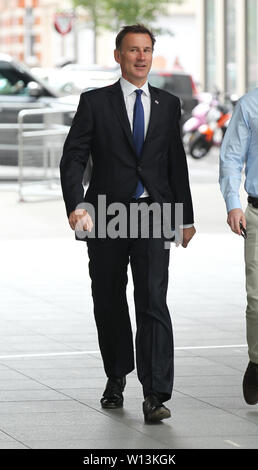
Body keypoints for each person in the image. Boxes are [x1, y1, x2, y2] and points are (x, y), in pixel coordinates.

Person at [60, 24, 196, 423]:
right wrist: (77, 203)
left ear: (152, 55)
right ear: (118, 55)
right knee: (109, 297)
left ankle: (155, 393)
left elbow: (175, 162)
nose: (141, 57)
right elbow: (73, 156)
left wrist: (184, 217)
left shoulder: (169, 104)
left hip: (155, 212)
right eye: (133, 50)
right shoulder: (95, 103)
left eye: (147, 50)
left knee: (153, 300)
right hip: (105, 215)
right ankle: (117, 374)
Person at [220, 88, 258, 406]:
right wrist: (233, 203)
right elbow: (231, 157)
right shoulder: (250, 105)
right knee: (257, 298)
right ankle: (257, 361)